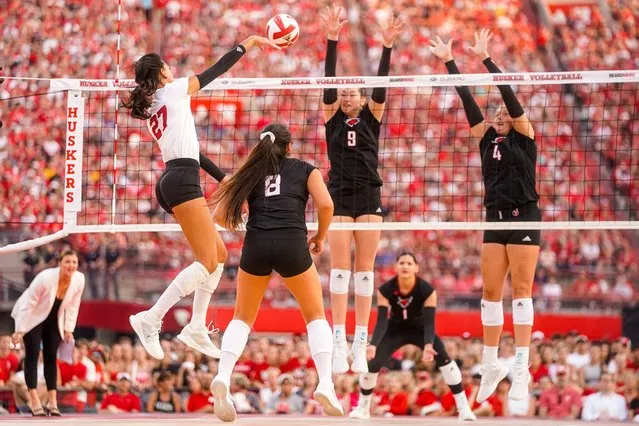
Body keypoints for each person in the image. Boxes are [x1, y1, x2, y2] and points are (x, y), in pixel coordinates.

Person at [122, 34, 279, 361]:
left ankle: (194, 326)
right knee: (208, 260)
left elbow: (190, 151)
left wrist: (224, 178)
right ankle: (150, 318)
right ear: (162, 73)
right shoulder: (173, 90)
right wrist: (246, 45)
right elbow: (215, 71)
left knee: (219, 254)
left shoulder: (155, 105)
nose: (171, 68)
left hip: (176, 175)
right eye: (167, 66)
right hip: (180, 180)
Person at [429, 29, 540, 402]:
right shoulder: (487, 138)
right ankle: (491, 362)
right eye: (494, 112)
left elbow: (508, 95)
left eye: (502, 111)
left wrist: (486, 58)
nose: (497, 113)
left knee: (520, 291)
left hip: (524, 215)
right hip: (494, 217)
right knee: (491, 293)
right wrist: (450, 62)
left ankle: (521, 368)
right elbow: (467, 103)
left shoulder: (525, 134)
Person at [209, 123, 343, 422]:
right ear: (289, 146)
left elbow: (219, 215)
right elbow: (326, 204)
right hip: (293, 243)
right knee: (315, 316)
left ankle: (222, 376)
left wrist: (248, 226)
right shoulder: (305, 168)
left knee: (242, 317)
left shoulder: (250, 172)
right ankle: (326, 383)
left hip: (256, 243)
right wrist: (320, 237)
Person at [320, 3, 404, 374]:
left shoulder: (372, 114)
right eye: (346, 92)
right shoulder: (332, 116)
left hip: (369, 194)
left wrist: (387, 47)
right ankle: (338, 338)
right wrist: (332, 40)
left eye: (355, 92)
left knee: (365, 272)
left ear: (364, 97)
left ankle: (359, 339)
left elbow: (382, 83)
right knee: (340, 270)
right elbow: (328, 79)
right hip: (339, 196)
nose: (350, 95)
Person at [349, 252, 475, 421]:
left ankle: (464, 408)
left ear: (416, 268)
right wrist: (373, 344)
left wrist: (429, 344)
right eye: (402, 263)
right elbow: (381, 321)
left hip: (421, 329)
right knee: (373, 364)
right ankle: (363, 408)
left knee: (445, 361)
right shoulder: (386, 290)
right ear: (396, 267)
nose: (405, 266)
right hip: (395, 329)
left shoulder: (427, 290)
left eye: (409, 263)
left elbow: (430, 323)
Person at [10, 250, 85, 416]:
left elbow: (74, 304)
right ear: (59, 262)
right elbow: (29, 304)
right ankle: (34, 400)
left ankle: (52, 402)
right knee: (33, 355)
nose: (71, 266)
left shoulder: (79, 279)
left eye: (74, 262)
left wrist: (68, 329)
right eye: (67, 262)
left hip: (54, 318)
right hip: (32, 317)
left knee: (51, 356)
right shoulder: (45, 277)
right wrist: (20, 330)